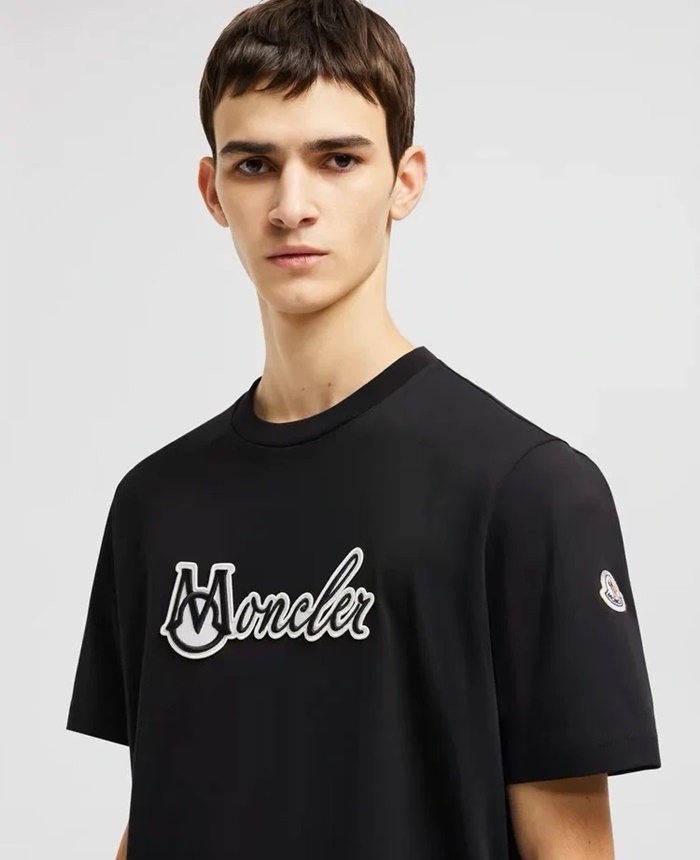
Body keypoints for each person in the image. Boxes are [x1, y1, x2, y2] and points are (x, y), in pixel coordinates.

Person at [65, 1, 661, 858]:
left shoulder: (529, 492)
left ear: (404, 181)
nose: (291, 205)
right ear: (212, 190)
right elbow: (159, 805)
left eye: (337, 159)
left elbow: (571, 849)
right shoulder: (156, 503)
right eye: (255, 164)